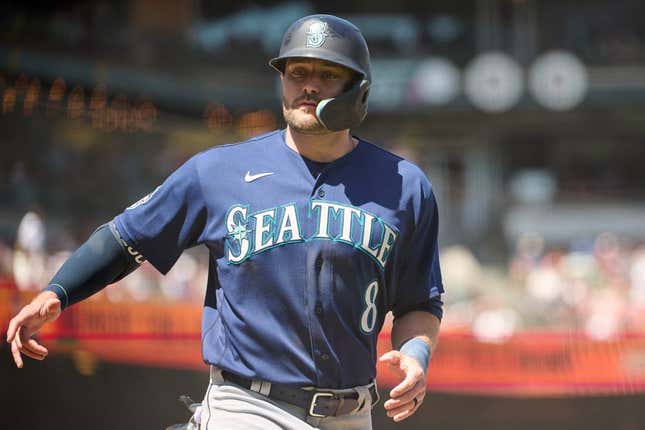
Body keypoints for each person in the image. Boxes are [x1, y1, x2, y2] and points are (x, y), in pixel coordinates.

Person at [6, 14, 444, 429]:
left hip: (353, 413)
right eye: (296, 73)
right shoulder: (218, 171)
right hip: (250, 406)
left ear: (358, 90)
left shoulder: (404, 186)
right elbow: (127, 237)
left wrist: (417, 353)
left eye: (327, 74)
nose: (308, 86)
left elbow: (418, 303)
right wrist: (57, 292)